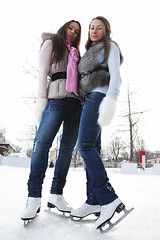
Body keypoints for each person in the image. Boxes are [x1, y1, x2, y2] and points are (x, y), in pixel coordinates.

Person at [21, 20, 82, 221]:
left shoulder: (75, 52)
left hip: (76, 104)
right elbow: (42, 73)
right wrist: (41, 99)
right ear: (64, 27)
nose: (73, 32)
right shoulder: (51, 43)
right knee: (41, 144)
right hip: (56, 100)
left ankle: (56, 194)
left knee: (66, 150)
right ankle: (33, 197)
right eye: (70, 28)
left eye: (76, 31)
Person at [71, 16, 125, 229]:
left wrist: (110, 102)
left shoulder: (109, 47)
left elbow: (116, 77)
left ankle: (108, 198)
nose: (94, 30)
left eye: (98, 28)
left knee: (84, 146)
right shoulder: (90, 51)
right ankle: (93, 201)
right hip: (88, 100)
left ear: (105, 31)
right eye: (91, 27)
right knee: (92, 148)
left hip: (98, 97)